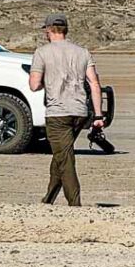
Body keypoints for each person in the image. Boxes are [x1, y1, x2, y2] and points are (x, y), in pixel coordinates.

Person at [29, 12, 106, 207]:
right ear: (65, 30)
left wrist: (46, 78)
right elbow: (95, 84)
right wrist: (98, 115)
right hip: (79, 112)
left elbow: (34, 85)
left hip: (57, 113)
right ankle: (48, 199)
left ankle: (75, 204)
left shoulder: (42, 52)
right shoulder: (83, 52)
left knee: (65, 159)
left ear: (48, 30)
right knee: (61, 155)